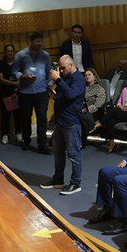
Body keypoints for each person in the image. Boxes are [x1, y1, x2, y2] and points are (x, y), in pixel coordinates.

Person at [42, 55, 86, 196]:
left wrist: (58, 80)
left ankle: (76, 183)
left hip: (71, 123)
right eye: (59, 68)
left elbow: (72, 94)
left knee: (74, 154)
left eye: (63, 67)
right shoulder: (65, 77)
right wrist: (54, 94)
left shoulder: (79, 79)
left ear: (71, 65)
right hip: (60, 122)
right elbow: (64, 95)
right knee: (58, 152)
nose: (60, 70)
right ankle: (58, 180)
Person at [12, 32, 53, 154]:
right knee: (25, 118)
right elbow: (14, 71)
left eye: (41, 41)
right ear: (31, 41)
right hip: (25, 92)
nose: (40, 43)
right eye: (37, 41)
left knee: (42, 118)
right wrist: (23, 76)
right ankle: (26, 141)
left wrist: (49, 84)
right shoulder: (21, 55)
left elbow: (49, 73)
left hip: (41, 92)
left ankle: (42, 144)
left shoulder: (45, 55)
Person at [0, 43, 21, 144]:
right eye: (8, 51)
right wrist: (15, 83)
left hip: (16, 92)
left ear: (14, 52)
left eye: (11, 51)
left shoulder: (18, 63)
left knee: (17, 115)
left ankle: (18, 133)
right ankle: (5, 134)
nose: (10, 53)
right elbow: (1, 79)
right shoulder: (1, 64)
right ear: (5, 53)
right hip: (5, 92)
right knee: (5, 115)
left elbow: (22, 78)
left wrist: (17, 86)